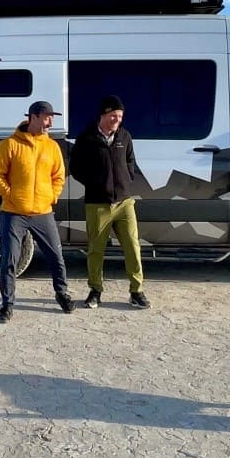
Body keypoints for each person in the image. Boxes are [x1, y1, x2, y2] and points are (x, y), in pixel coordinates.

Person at [0, 100, 76, 323]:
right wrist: (10, 195)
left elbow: (58, 176)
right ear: (33, 117)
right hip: (14, 213)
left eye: (51, 118)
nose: (50, 122)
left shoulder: (52, 147)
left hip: (43, 212)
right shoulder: (10, 144)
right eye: (47, 117)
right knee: (10, 259)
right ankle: (7, 305)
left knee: (56, 256)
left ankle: (62, 293)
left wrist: (52, 196)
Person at [69, 94, 150, 309]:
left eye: (120, 116)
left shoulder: (125, 137)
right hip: (97, 204)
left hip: (124, 203)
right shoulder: (86, 138)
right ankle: (95, 290)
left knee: (133, 246)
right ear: (103, 114)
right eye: (113, 115)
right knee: (96, 249)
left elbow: (130, 162)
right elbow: (75, 167)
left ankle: (137, 291)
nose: (117, 120)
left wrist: (126, 180)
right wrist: (95, 183)